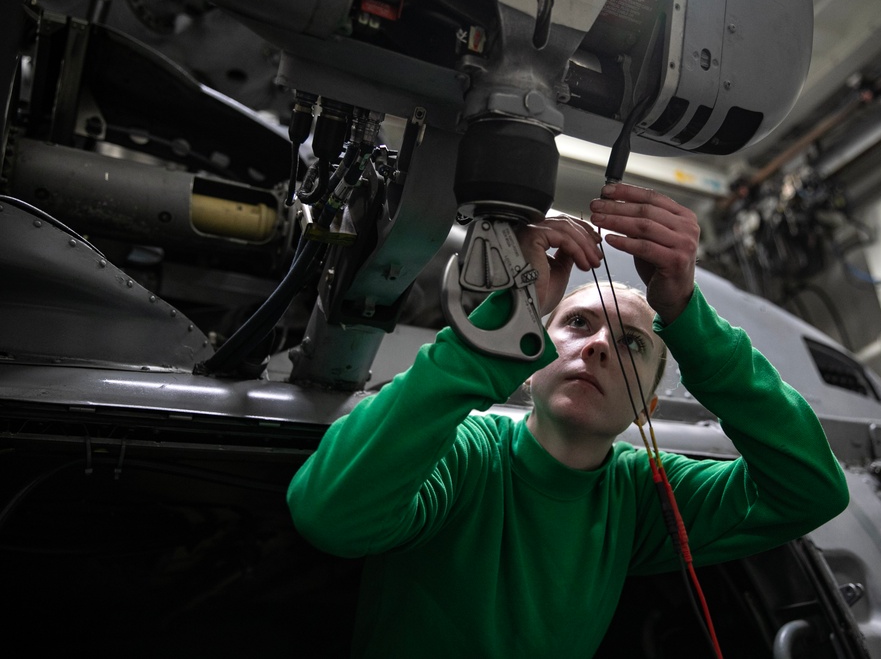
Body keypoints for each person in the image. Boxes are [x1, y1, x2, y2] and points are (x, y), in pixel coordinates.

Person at [286, 182, 850, 658]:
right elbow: (328, 515)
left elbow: (810, 492)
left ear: (646, 408)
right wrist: (502, 323)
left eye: (631, 343)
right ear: (532, 366)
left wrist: (688, 317)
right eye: (578, 324)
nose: (599, 346)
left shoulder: (641, 495)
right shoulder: (462, 453)